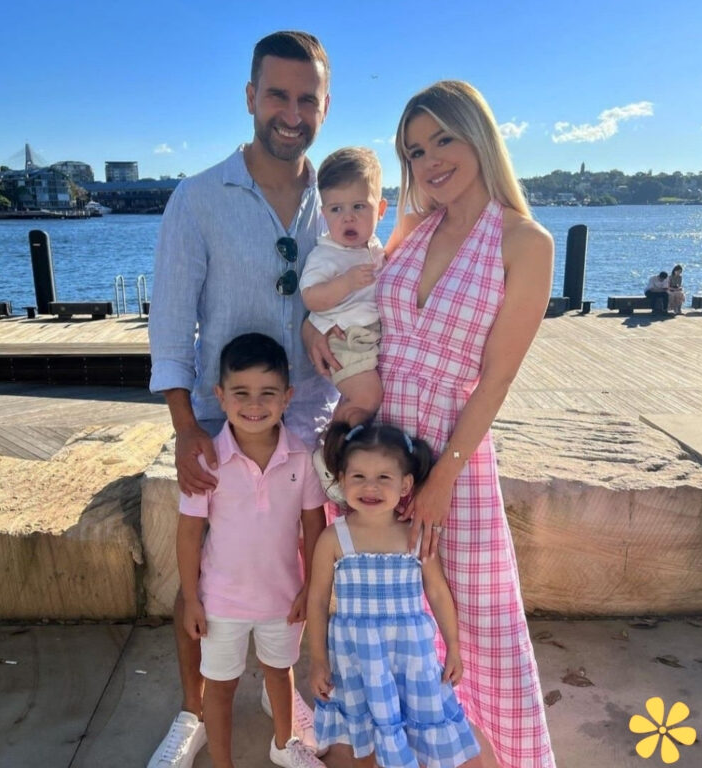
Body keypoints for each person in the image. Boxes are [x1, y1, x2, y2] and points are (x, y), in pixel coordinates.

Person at [303, 81, 557, 766]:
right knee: (378, 619)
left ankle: (499, 752)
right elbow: (358, 297)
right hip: (378, 442)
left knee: (474, 622)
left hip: (451, 450)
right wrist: (309, 324)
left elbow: (498, 377)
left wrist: (443, 475)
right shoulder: (412, 226)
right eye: (416, 150)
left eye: (443, 138)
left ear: (478, 133)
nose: (431, 159)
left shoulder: (525, 242)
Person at [148, 30, 338, 768]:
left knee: (296, 570)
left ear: (325, 105)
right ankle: (194, 712)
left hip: (312, 421)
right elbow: (169, 324)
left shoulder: (340, 201)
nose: (292, 113)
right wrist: (184, 429)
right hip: (215, 418)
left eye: (307, 99)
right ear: (251, 97)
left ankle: (291, 716)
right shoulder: (197, 199)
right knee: (202, 574)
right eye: (278, 95)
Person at [178, 333, 327, 768]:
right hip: (221, 602)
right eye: (241, 393)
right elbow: (188, 533)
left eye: (268, 393)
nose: (254, 404)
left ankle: (285, 744)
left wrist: (310, 589)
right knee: (220, 686)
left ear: (288, 397)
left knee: (280, 675)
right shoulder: (207, 461)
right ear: (220, 397)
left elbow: (314, 527)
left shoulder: (302, 458)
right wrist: (191, 597)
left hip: (283, 600)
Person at [308, 422, 481, 768]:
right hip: (357, 659)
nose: (370, 487)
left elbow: (437, 591)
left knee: (415, 731)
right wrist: (318, 660)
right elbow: (316, 600)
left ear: (405, 485)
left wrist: (454, 647)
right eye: (358, 477)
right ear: (342, 479)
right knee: (366, 738)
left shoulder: (415, 535)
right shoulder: (333, 538)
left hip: (411, 657)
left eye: (383, 478)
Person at [300, 147, 387, 428]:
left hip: (366, 337)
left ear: (381, 210)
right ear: (324, 213)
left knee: (363, 401)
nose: (347, 217)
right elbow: (311, 296)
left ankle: (344, 447)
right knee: (367, 397)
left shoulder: (373, 248)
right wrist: (345, 283)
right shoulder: (327, 254)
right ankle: (332, 455)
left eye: (358, 207)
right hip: (343, 337)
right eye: (336, 209)